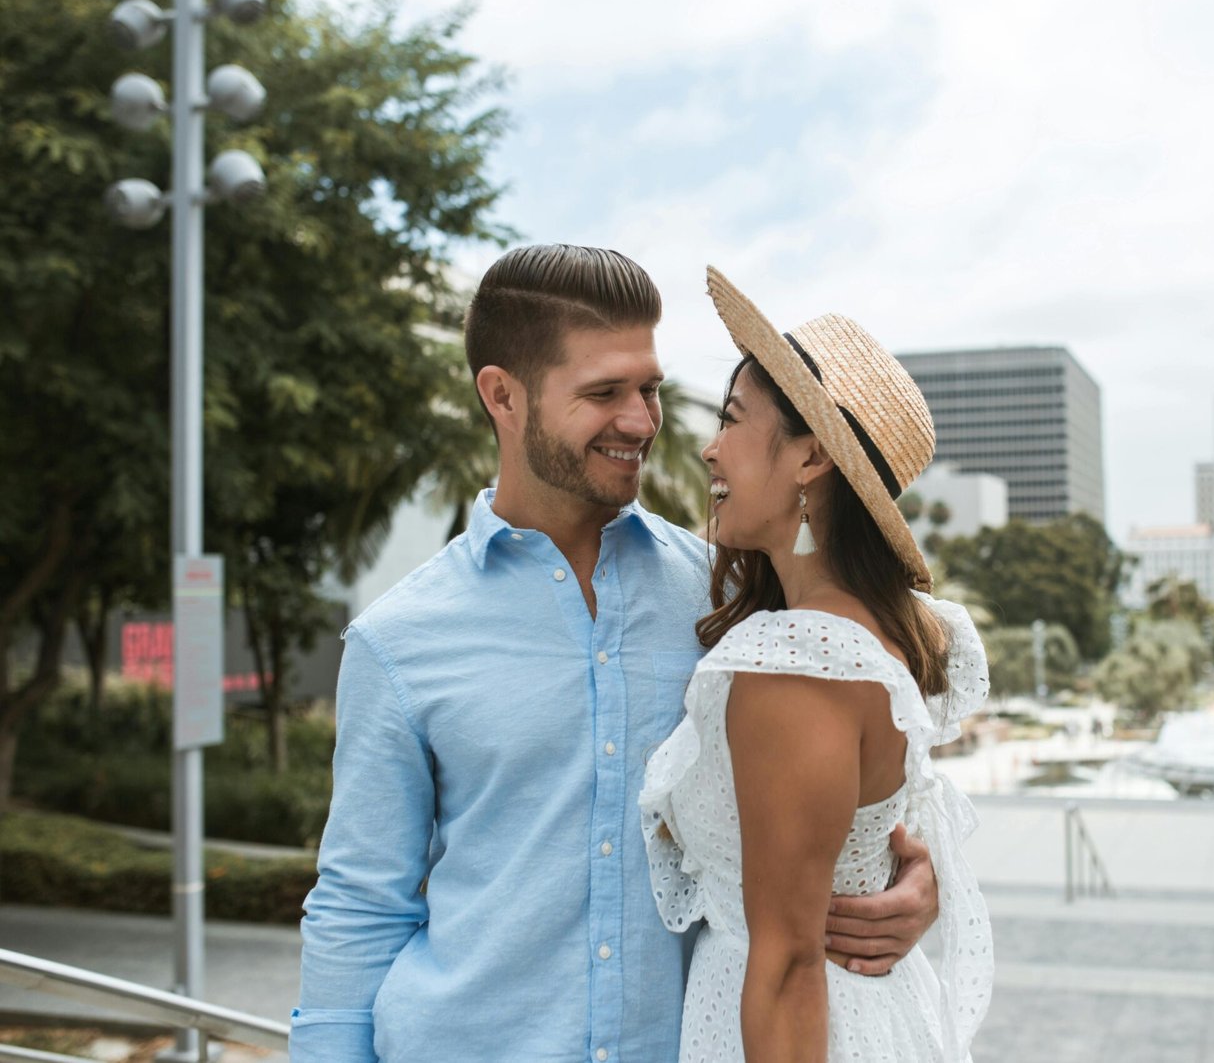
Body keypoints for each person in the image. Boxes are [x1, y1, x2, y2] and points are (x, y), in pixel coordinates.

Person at [290, 245, 940, 1063]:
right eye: (604, 392)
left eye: (650, 389)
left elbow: (859, 769)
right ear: (504, 395)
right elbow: (359, 905)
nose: (641, 421)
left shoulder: (731, 601)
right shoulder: (400, 638)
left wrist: (909, 886)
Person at [639, 267, 994, 1062]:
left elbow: (791, 962)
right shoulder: (873, 631)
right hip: (870, 1015)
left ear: (809, 459)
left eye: (732, 419)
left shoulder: (800, 663)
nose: (708, 446)